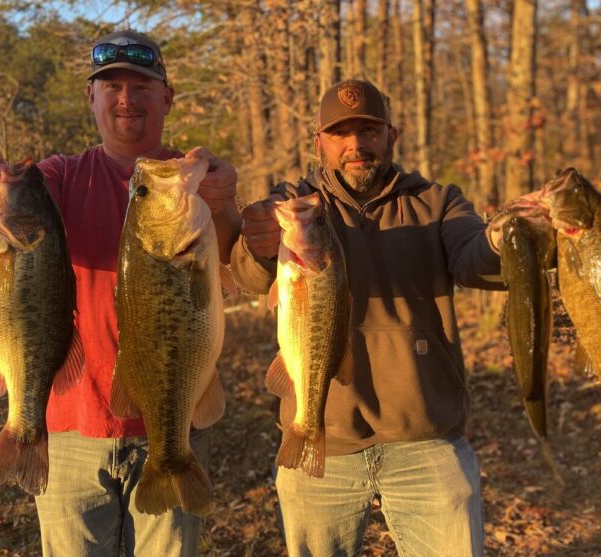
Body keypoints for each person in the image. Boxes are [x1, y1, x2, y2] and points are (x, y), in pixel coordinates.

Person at [0, 30, 241, 556]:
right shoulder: (58, 176)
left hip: (166, 422)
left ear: (166, 98)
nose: (126, 98)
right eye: (112, 86)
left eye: (141, 86)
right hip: (68, 423)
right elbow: (7, 237)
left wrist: (222, 204)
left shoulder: (192, 184)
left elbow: (238, 262)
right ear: (92, 98)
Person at [231, 79, 546, 557]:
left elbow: (475, 258)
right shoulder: (296, 204)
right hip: (323, 442)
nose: (356, 145)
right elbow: (252, 277)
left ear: (391, 137)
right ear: (319, 142)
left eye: (368, 131)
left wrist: (507, 236)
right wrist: (255, 247)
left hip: (426, 439)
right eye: (340, 134)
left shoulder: (438, 202)